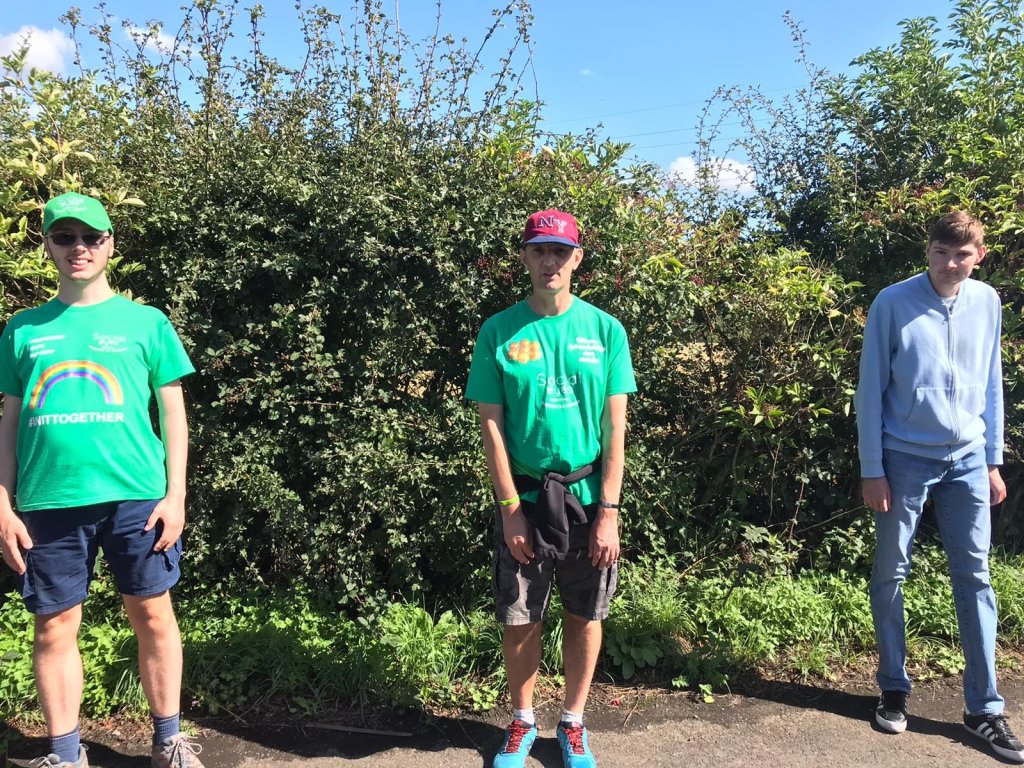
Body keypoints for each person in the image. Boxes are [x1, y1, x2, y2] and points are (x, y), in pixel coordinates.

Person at [0, 192, 204, 768]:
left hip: (138, 498)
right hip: (49, 499)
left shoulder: (147, 323)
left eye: (91, 237)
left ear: (110, 243)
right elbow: (9, 421)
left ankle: (169, 742)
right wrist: (3, 504)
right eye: (65, 237)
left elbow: (173, 414)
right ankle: (66, 756)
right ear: (47, 245)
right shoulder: (21, 329)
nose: (79, 248)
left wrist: (176, 496)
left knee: (154, 615)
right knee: (53, 627)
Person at [466, 209, 636, 768]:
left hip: (588, 501)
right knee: (521, 617)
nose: (549, 261)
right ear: (524, 257)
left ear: (576, 259)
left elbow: (615, 429)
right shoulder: (499, 331)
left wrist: (609, 510)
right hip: (527, 499)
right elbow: (491, 428)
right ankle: (522, 721)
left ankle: (572, 723)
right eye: (538, 250)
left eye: (559, 251)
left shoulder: (606, 331)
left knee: (586, 613)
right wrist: (510, 509)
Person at [855, 211, 1024, 762]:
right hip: (903, 457)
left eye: (962, 254)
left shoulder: (987, 302)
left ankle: (984, 710)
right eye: (940, 253)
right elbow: (869, 391)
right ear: (927, 252)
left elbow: (993, 383)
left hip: (969, 458)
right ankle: (893, 688)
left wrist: (993, 460)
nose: (950, 264)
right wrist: (873, 468)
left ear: (979, 255)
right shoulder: (892, 303)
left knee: (975, 576)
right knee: (891, 570)